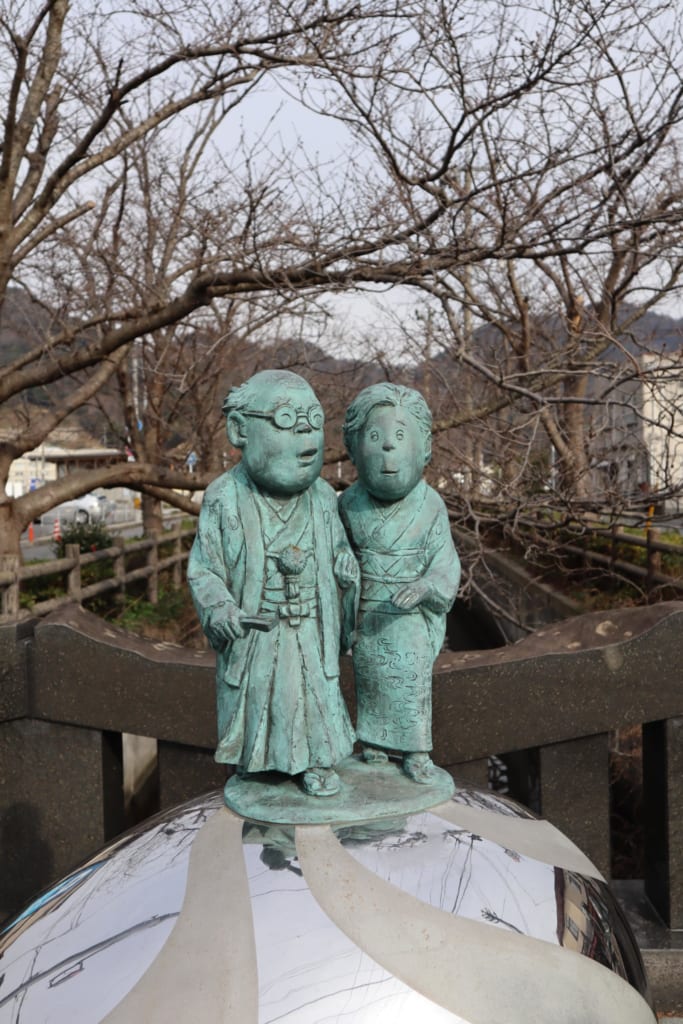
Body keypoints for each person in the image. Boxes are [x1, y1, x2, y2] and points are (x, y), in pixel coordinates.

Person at [188, 370, 358, 797]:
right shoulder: (224, 497)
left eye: (313, 420)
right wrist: (221, 607)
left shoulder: (323, 498)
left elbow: (339, 546)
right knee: (262, 696)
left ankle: (316, 761)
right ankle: (256, 762)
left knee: (314, 695)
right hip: (257, 630)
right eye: (285, 419)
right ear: (240, 430)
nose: (305, 433)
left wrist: (344, 565)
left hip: (310, 625)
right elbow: (204, 568)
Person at [339, 383, 460, 783]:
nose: (388, 446)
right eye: (375, 437)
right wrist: (342, 567)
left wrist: (425, 587)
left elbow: (445, 564)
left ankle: (415, 751)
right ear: (354, 449)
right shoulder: (347, 504)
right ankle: (372, 743)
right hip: (368, 612)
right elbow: (335, 550)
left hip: (410, 617)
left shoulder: (431, 505)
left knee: (410, 682)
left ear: (425, 448)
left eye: (401, 436)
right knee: (370, 681)